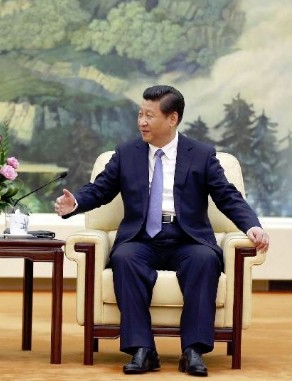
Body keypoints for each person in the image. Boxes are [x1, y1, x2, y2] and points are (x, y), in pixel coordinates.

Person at [54, 85, 269, 377]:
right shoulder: (127, 153)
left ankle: (193, 350)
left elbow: (228, 196)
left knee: (204, 261)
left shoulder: (202, 155)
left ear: (172, 119)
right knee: (124, 259)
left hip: (186, 237)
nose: (142, 121)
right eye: (140, 114)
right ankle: (142, 350)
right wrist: (75, 202)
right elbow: (101, 189)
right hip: (141, 238)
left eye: (149, 115)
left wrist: (252, 225)